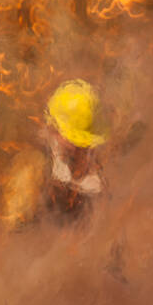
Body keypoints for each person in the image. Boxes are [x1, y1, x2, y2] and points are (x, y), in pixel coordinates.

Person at [44, 79, 107, 214]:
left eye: (83, 144)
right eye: (75, 141)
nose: (80, 148)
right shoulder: (39, 161)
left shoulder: (94, 179)